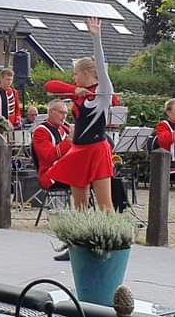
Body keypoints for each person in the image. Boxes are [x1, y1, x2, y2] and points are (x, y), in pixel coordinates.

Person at [44, 18, 116, 212]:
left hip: (97, 149)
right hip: (78, 150)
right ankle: (82, 241)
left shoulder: (103, 93)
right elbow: (49, 86)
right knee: (79, 206)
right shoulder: (78, 92)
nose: (74, 77)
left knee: (104, 205)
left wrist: (96, 38)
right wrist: (74, 89)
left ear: (87, 73)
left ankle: (108, 241)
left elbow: (101, 66)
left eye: (76, 74)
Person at [31, 99, 74, 261]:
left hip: (63, 172)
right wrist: (69, 141)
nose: (64, 116)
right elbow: (48, 156)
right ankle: (73, 234)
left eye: (66, 113)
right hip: (50, 175)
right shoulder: (41, 131)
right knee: (82, 182)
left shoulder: (63, 129)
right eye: (61, 113)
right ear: (51, 112)